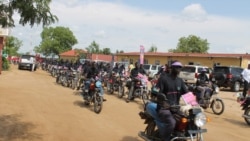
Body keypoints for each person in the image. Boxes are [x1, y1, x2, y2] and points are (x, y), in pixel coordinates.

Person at [155, 61, 188, 141]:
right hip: (164, 108)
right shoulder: (163, 79)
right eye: (177, 67)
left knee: (187, 120)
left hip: (175, 108)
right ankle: (165, 139)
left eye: (180, 67)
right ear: (172, 68)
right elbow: (156, 91)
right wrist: (162, 101)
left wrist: (195, 101)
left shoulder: (180, 80)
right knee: (171, 122)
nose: (179, 69)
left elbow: (186, 93)